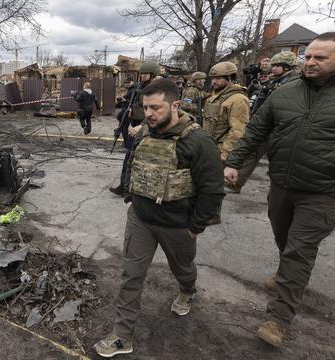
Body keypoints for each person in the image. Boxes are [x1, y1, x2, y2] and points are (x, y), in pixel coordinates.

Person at [224, 32, 335, 348]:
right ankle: (286, 271)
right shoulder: (285, 93)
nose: (311, 63)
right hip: (282, 185)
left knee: (299, 250)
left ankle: (278, 320)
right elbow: (256, 131)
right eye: (308, 57)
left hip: (323, 192)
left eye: (320, 58)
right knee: (283, 238)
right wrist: (234, 162)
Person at [94, 79, 223, 358]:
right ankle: (122, 336)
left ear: (175, 105)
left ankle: (187, 290)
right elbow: (131, 164)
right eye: (145, 107)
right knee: (131, 275)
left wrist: (194, 227)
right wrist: (130, 195)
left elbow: (212, 189)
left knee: (183, 269)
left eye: (155, 107)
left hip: (177, 224)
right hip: (140, 218)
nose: (149, 113)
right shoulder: (144, 133)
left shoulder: (199, 141)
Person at [234, 51, 300, 192]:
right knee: (253, 151)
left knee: (279, 159)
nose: (273, 68)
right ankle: (236, 182)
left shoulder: (295, 83)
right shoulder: (275, 81)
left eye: (278, 66)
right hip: (267, 124)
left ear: (287, 67)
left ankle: (280, 189)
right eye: (274, 65)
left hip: (282, 127)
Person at [109, 62, 160, 196]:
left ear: (153, 75)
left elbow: (156, 112)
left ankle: (130, 188)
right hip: (139, 126)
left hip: (150, 129)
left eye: (145, 74)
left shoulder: (157, 90)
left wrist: (142, 125)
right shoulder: (140, 87)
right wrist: (131, 108)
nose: (142, 76)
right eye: (141, 74)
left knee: (134, 159)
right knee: (132, 158)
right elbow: (137, 103)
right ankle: (126, 187)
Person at [203, 62, 251, 196]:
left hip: (220, 151)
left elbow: (238, 131)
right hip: (208, 148)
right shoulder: (215, 96)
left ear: (230, 78)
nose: (214, 81)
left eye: (218, 78)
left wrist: (225, 155)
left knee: (212, 191)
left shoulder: (238, 99)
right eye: (213, 78)